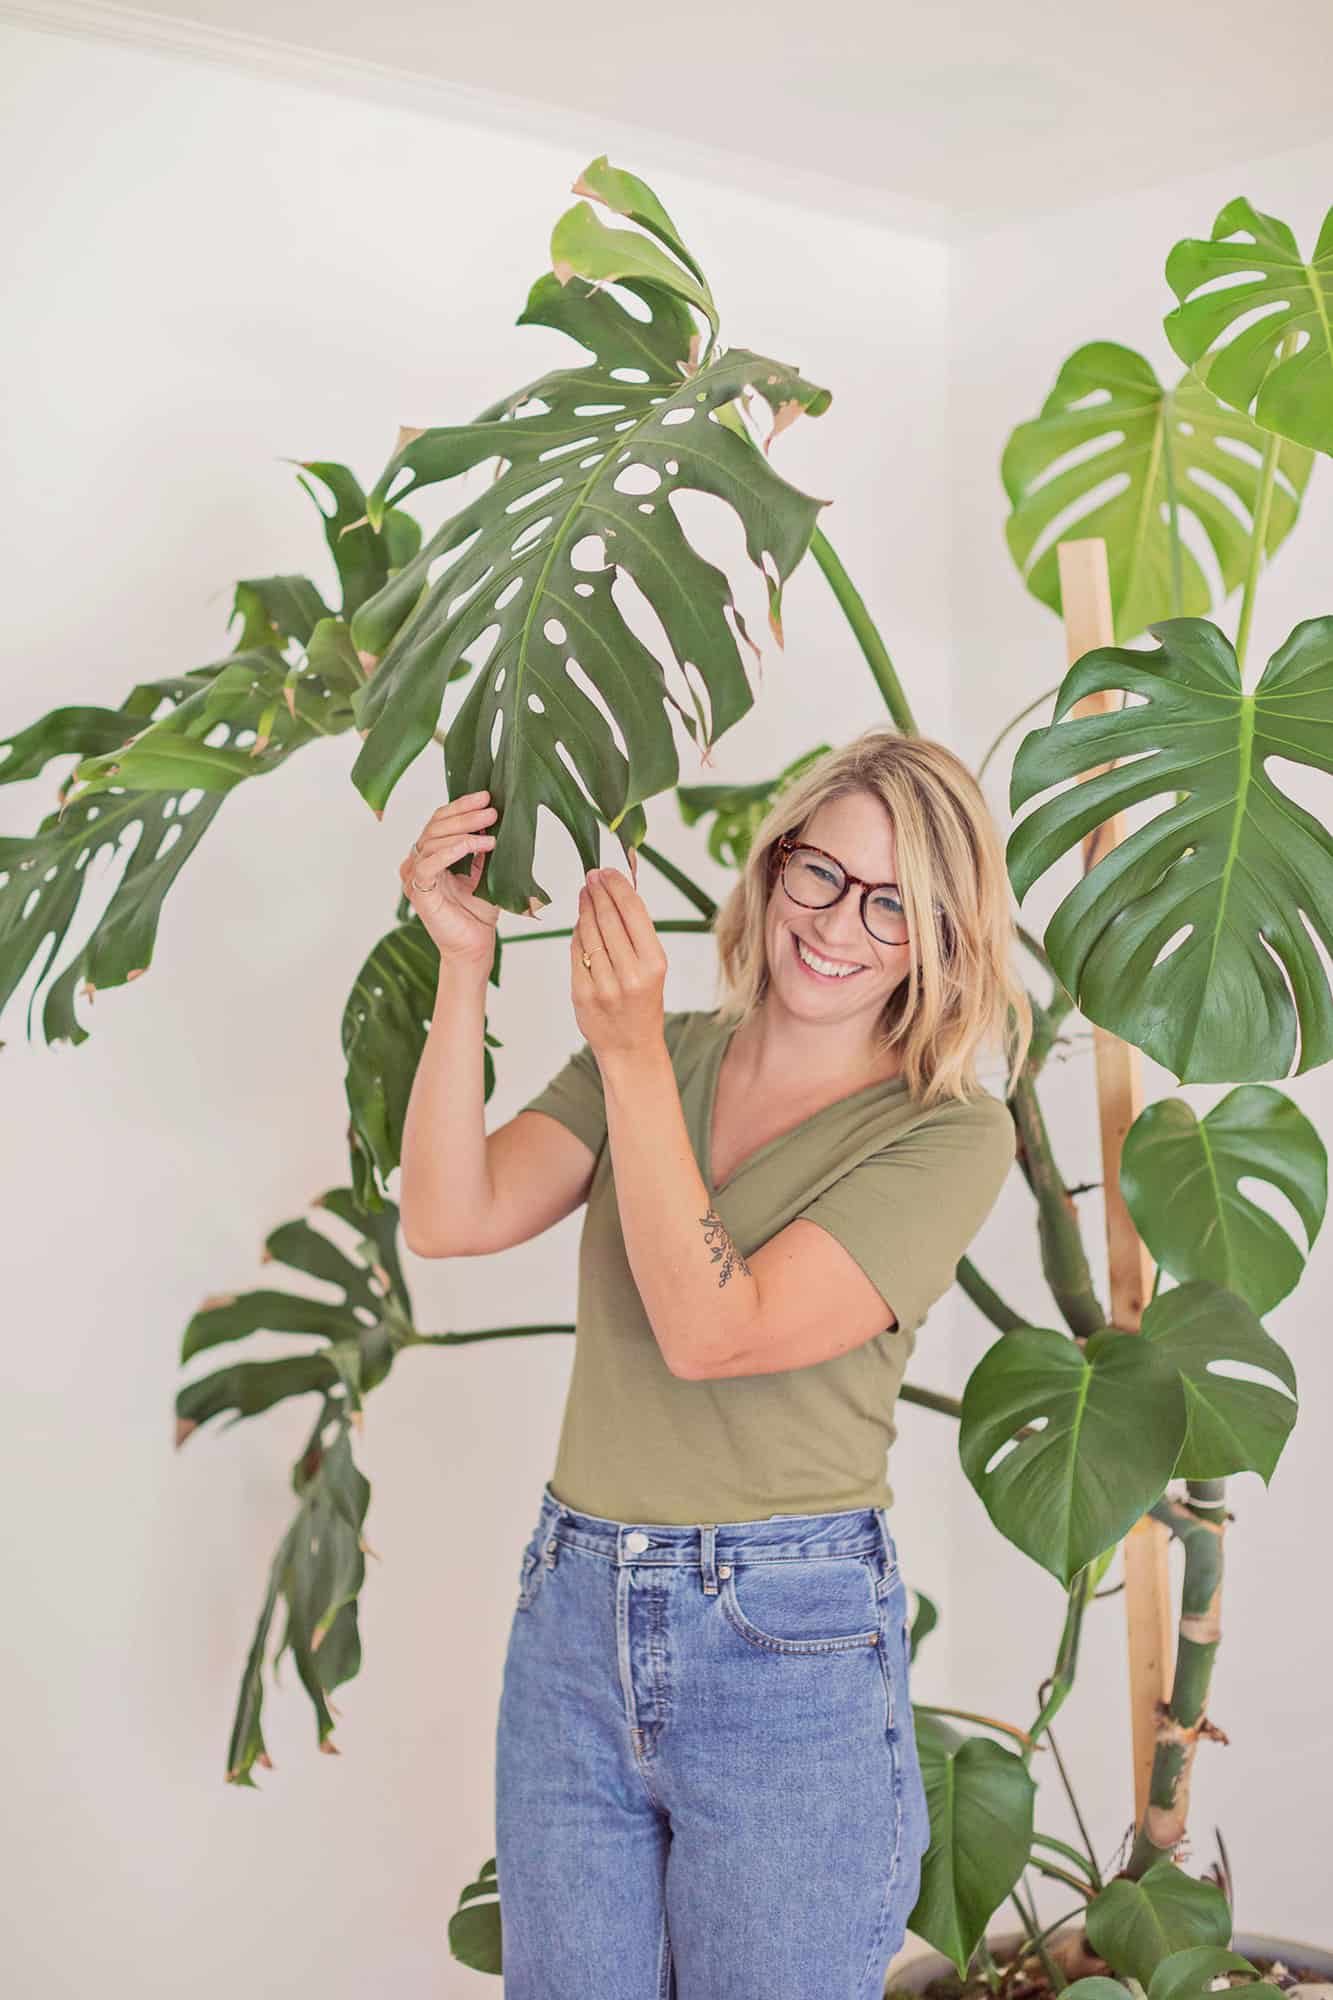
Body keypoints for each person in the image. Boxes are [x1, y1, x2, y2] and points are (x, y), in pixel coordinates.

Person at [397, 726, 1032, 2000]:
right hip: (574, 1612)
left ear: (944, 940)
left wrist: (630, 1055)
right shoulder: (666, 1054)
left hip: (784, 1637)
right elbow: (448, 1213)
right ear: (774, 864)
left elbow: (713, 1331)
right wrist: (463, 964)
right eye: (822, 873)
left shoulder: (947, 1132)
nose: (838, 925)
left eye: (894, 904)